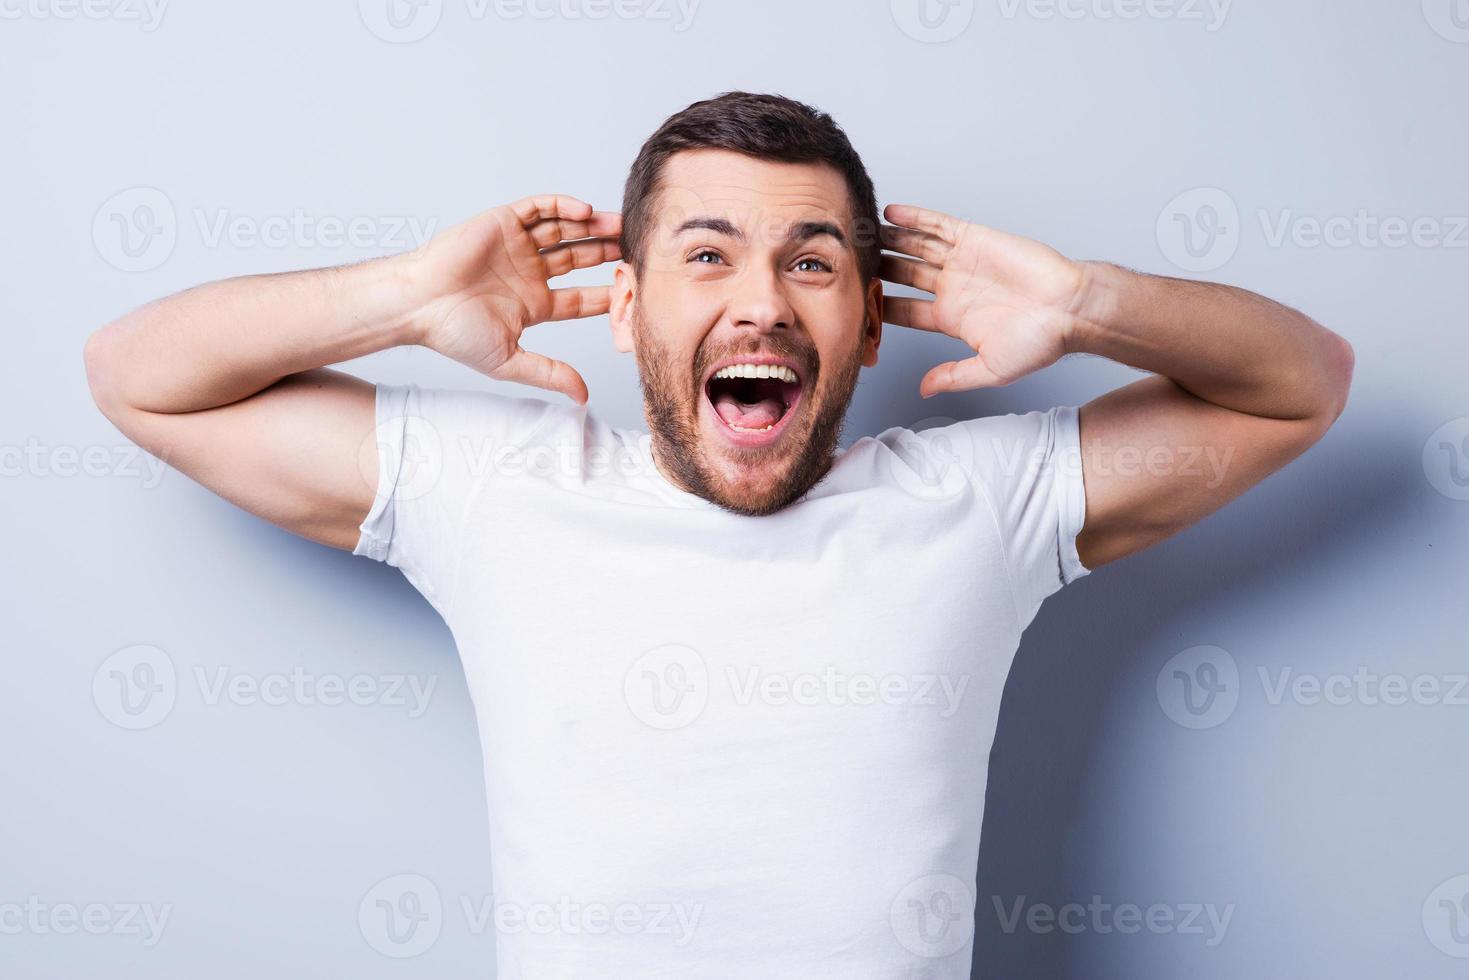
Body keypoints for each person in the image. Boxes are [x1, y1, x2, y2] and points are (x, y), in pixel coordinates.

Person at [83, 91, 1353, 976]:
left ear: (867, 323)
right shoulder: (500, 488)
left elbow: (1302, 382)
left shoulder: (972, 505)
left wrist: (1085, 304)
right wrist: (404, 297)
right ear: (626, 311)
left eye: (810, 264)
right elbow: (138, 371)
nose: (758, 303)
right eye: (706, 257)